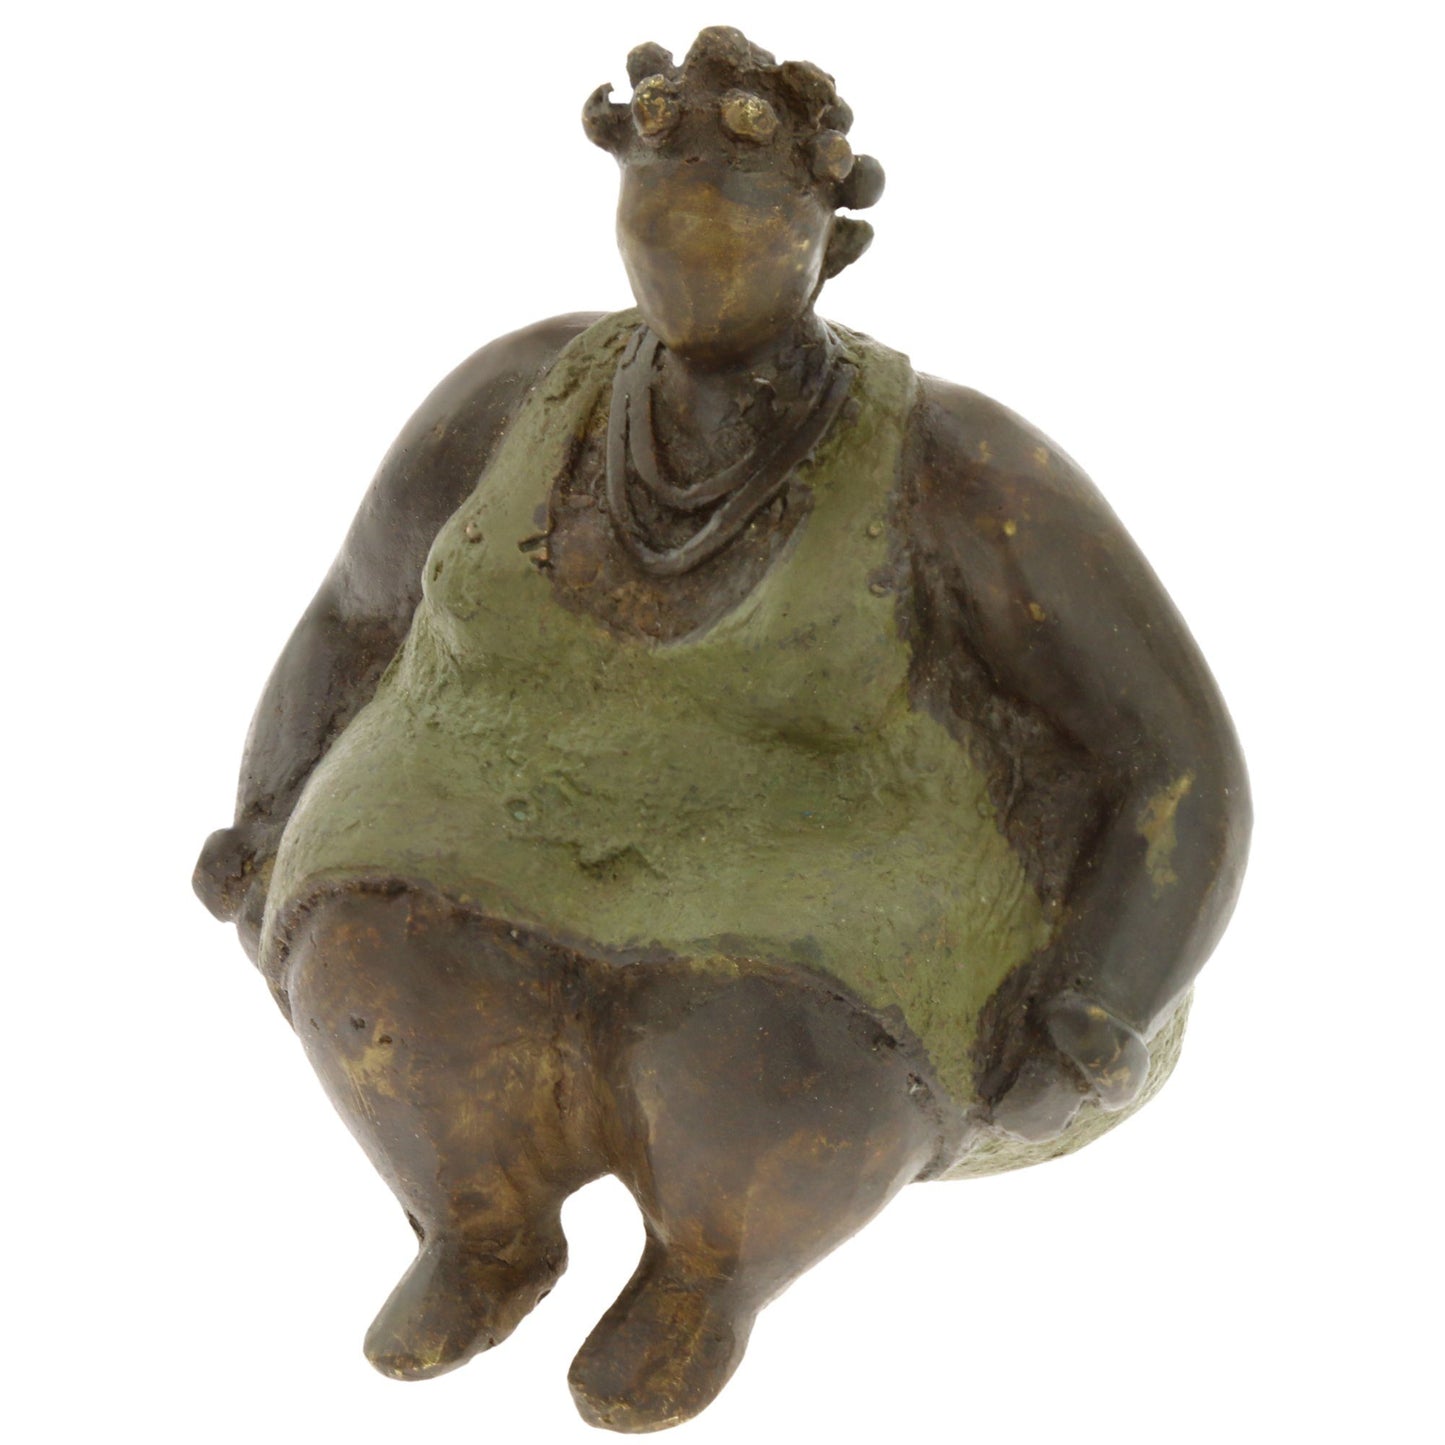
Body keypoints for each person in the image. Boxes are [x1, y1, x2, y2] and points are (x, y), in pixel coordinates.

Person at [194, 27, 1249, 1432]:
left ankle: (706, 1273)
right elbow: (353, 612)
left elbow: (1171, 762)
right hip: (491, 823)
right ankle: (480, 1225)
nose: (695, 264)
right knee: (373, 959)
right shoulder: (517, 392)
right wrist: (268, 811)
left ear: (829, 241)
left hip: (814, 898)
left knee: (750, 1057)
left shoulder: (951, 462)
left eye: (747, 225)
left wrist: (1101, 999)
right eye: (660, 219)